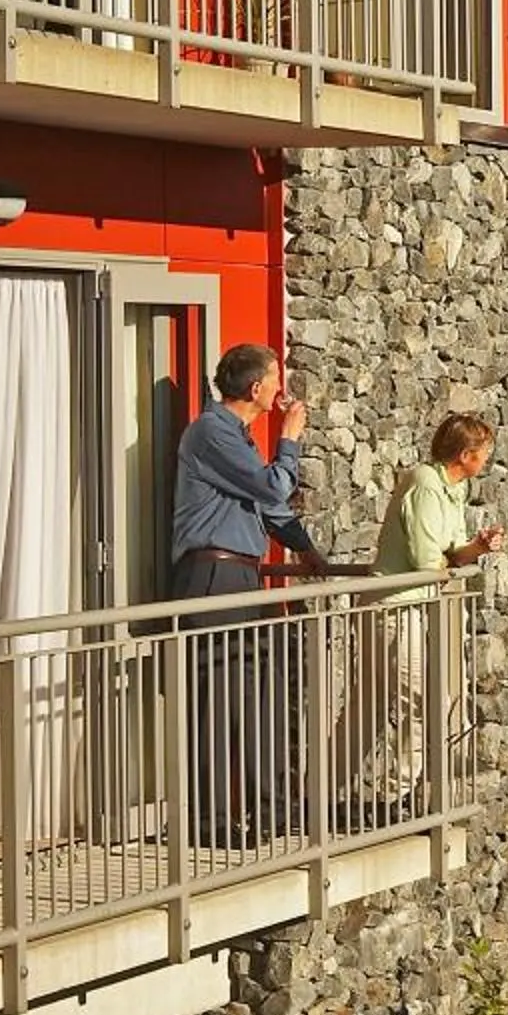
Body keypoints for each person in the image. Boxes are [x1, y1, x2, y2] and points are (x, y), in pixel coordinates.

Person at [172, 343, 320, 845]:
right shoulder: (212, 433)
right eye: (277, 379)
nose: (282, 388)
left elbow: (270, 510)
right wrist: (291, 439)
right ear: (256, 389)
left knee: (262, 696)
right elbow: (273, 488)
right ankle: (210, 825)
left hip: (241, 578)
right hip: (212, 577)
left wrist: (307, 551)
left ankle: (271, 813)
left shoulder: (235, 437)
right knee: (217, 703)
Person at [348, 415, 506, 822]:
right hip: (394, 606)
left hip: (408, 606)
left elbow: (451, 553)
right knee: (423, 702)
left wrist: (478, 547)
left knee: (374, 706)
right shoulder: (424, 484)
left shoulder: (455, 488)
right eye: (483, 451)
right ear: (465, 454)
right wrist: (448, 563)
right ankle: (388, 797)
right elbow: (424, 560)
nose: (487, 458)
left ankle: (337, 794)